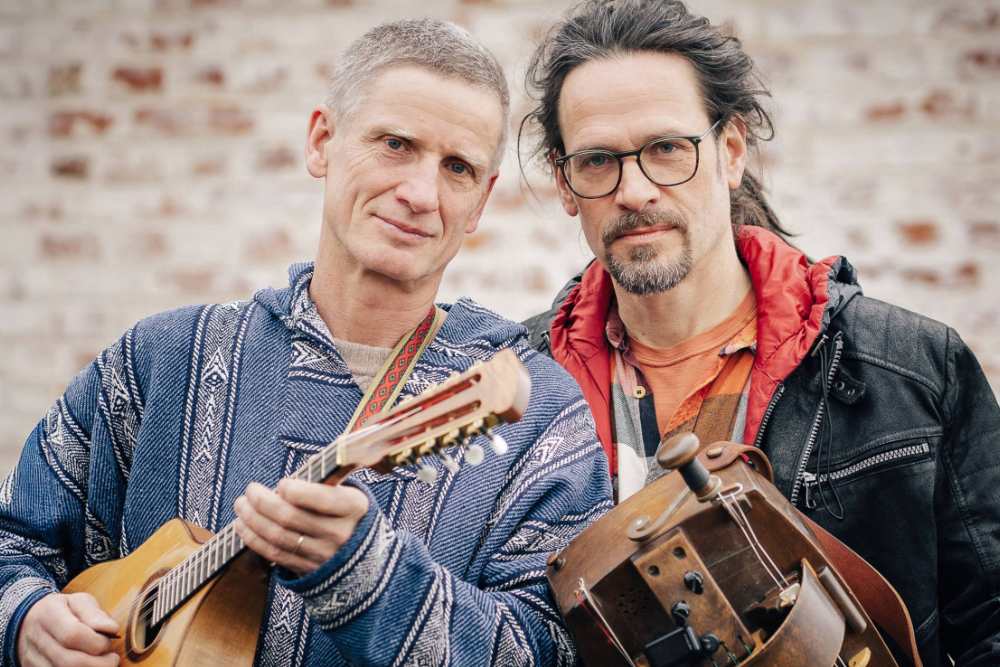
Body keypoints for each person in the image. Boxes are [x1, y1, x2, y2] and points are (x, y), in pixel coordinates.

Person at [0, 18, 612, 667]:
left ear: (481, 200)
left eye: (457, 167)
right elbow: (15, 538)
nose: (419, 192)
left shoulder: (540, 412)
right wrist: (25, 618)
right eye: (396, 144)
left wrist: (371, 577)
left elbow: (558, 651)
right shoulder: (160, 360)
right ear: (321, 141)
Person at [521, 1, 1000, 665]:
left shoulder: (914, 369)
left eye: (666, 148)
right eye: (599, 159)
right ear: (565, 180)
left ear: (731, 150)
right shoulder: (524, 391)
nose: (633, 189)